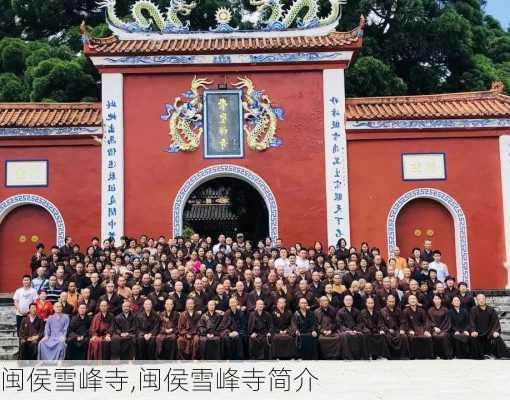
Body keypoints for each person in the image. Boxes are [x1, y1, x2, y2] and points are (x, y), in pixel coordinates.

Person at [470, 293, 510, 359]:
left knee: (497, 337)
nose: (481, 300)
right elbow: (471, 322)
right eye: (479, 299)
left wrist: (495, 331)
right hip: (478, 333)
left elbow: (496, 322)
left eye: (482, 299)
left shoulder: (491, 310)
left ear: (485, 300)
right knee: (473, 338)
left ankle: (502, 355)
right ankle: (480, 356)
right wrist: (473, 331)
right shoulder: (474, 310)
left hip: (489, 333)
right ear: (476, 301)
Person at [401, 295, 433, 359]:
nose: (413, 300)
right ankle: (415, 356)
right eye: (411, 299)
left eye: (414, 299)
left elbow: (426, 321)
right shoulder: (405, 311)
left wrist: (426, 330)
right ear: (408, 301)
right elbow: (405, 323)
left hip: (421, 329)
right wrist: (409, 330)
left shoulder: (421, 310)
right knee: (413, 337)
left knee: (428, 337)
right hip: (411, 330)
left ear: (417, 301)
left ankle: (427, 356)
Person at [380, 295, 409, 359]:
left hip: (397, 330)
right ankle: (390, 356)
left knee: (403, 337)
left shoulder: (398, 310)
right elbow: (381, 323)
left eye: (393, 302)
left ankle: (402, 356)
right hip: (388, 330)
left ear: (395, 302)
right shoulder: (382, 311)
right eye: (390, 301)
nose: (391, 303)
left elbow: (403, 322)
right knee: (387, 337)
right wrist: (387, 329)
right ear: (387, 302)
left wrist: (402, 329)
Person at [336, 294, 365, 360]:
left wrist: (355, 330)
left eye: (350, 300)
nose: (348, 301)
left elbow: (360, 323)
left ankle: (359, 356)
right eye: (347, 300)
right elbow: (339, 324)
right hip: (345, 331)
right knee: (345, 336)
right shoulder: (340, 312)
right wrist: (348, 330)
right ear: (344, 301)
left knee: (361, 335)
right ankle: (348, 356)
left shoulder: (356, 311)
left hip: (355, 330)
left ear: (352, 301)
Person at [427, 295, 453, 359]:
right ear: (433, 301)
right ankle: (435, 355)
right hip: (434, 329)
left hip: (444, 329)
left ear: (440, 300)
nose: (437, 300)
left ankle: (445, 355)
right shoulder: (430, 310)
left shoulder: (445, 310)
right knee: (434, 336)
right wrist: (434, 328)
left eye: (438, 299)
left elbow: (447, 321)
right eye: (435, 299)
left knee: (444, 336)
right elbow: (428, 321)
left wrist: (442, 330)